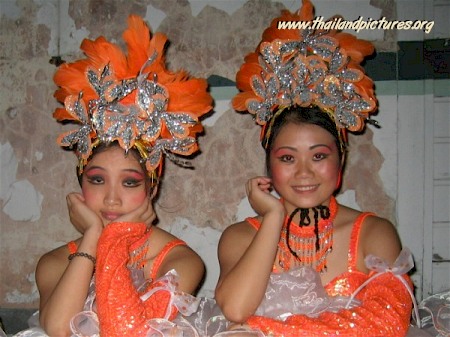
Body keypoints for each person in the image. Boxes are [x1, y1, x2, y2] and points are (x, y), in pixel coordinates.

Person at [215, 0, 425, 336]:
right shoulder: (240, 237)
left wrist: (265, 327)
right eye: (287, 158)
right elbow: (237, 309)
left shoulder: (374, 233)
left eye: (318, 156)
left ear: (339, 160)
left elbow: (387, 325)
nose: (303, 173)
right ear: (268, 165)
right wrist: (272, 219)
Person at [14, 14, 213, 337]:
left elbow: (129, 330)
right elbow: (55, 329)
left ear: (153, 184)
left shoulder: (179, 260)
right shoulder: (54, 262)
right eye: (97, 179)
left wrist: (116, 239)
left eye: (130, 182)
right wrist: (94, 236)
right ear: (80, 181)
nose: (111, 197)